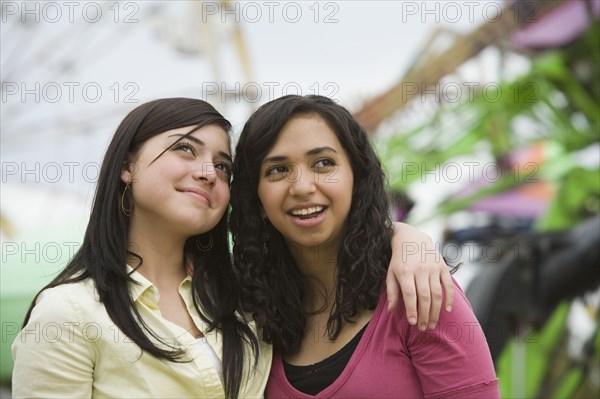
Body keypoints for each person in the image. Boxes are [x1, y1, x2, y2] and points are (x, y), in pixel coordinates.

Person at [12, 98, 453, 398]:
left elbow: (325, 250)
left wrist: (407, 238)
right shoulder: (68, 316)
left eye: (223, 166)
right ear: (127, 165)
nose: (208, 172)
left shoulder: (246, 299)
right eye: (185, 149)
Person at [230, 95, 500, 398]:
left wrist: (404, 235)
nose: (303, 187)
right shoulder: (250, 311)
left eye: (323, 163)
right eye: (277, 170)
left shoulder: (418, 290)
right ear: (257, 198)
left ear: (357, 179)